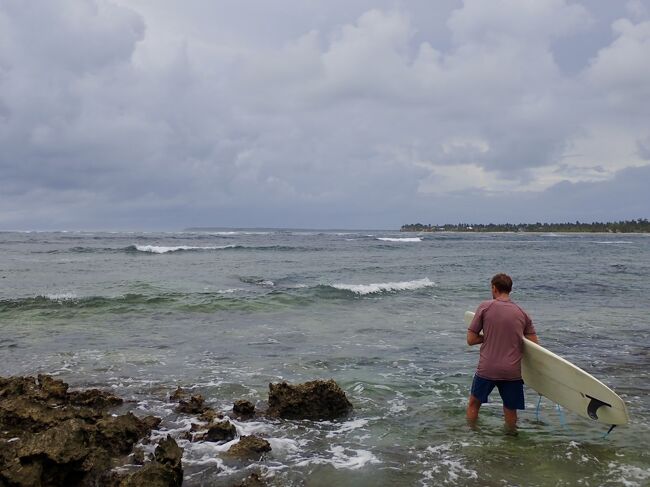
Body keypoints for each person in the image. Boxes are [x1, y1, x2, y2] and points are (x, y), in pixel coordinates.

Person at [466, 273, 539, 429]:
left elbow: (471, 339)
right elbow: (534, 345)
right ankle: (511, 441)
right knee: (510, 409)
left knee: (474, 403)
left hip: (488, 368)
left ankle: (471, 436)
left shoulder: (485, 307)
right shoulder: (522, 313)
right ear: (510, 290)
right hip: (512, 371)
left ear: (494, 288)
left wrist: (488, 337)